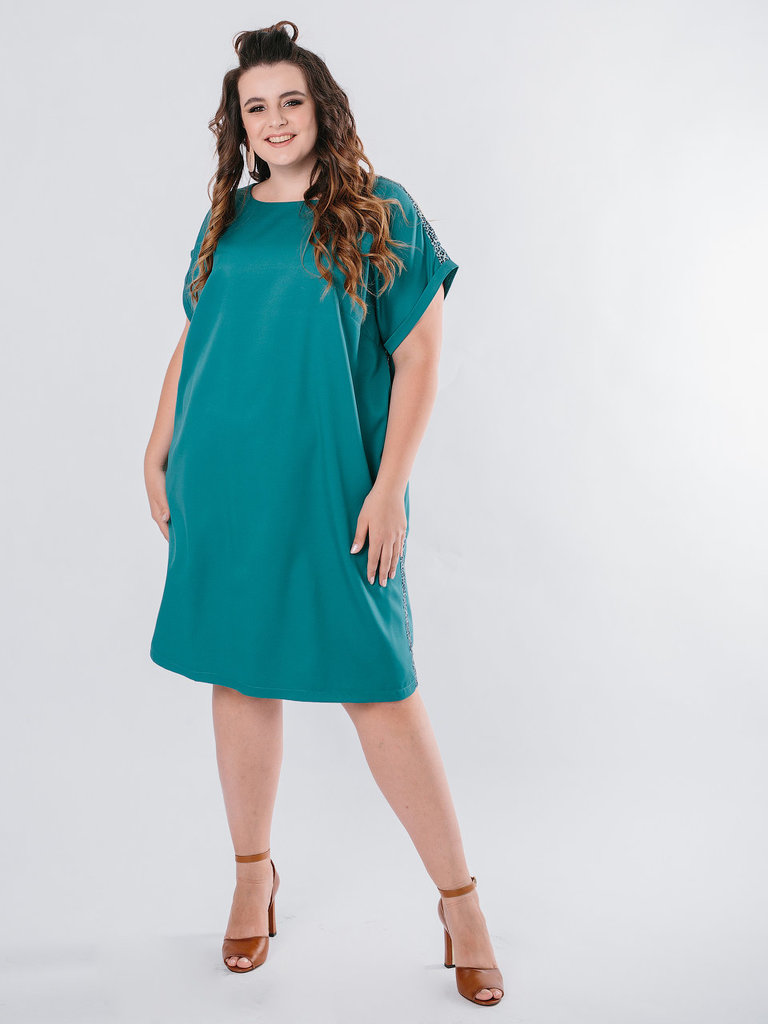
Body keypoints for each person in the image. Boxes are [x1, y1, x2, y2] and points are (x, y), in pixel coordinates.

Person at [144, 20, 504, 1006]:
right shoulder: (227, 218)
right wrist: (157, 443)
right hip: (225, 482)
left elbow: (419, 357)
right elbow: (195, 337)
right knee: (238, 672)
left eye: (290, 100)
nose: (274, 120)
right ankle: (251, 877)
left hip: (338, 490)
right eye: (255, 106)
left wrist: (389, 488)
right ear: (239, 124)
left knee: (380, 686)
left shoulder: (381, 209)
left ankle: (461, 902)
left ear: (321, 107)